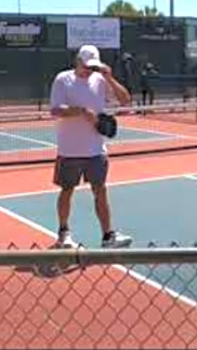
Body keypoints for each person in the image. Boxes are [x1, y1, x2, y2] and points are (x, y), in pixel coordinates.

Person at [49, 44, 132, 249]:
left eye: (94, 67)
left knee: (100, 191)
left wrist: (110, 78)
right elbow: (55, 110)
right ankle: (64, 234)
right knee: (67, 190)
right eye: (87, 66)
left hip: (96, 150)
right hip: (69, 149)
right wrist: (81, 111)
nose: (90, 70)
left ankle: (108, 236)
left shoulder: (101, 81)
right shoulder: (63, 79)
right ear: (77, 61)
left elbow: (126, 101)